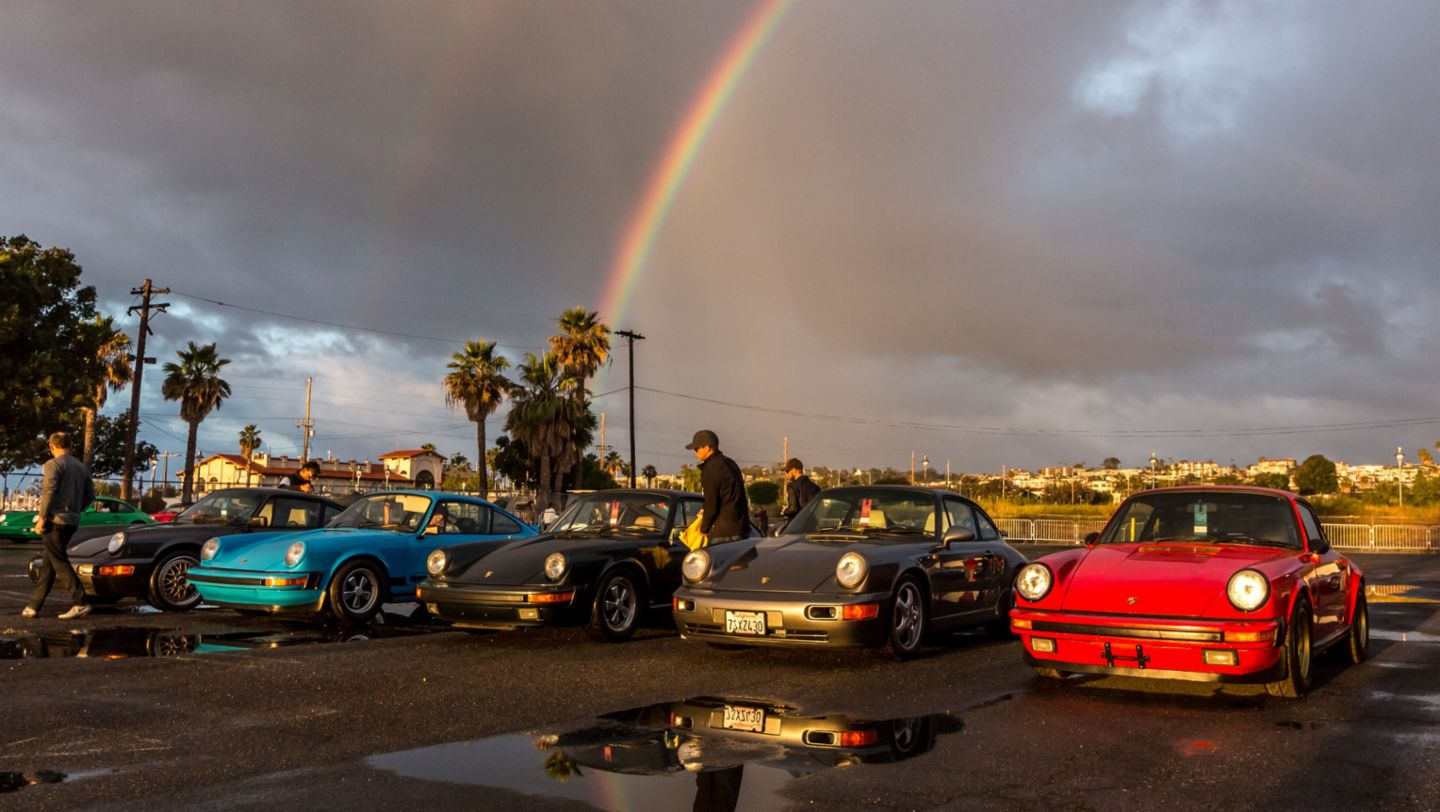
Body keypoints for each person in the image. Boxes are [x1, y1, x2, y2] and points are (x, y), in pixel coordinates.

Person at [25, 432, 94, 619]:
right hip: (72, 521)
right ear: (70, 445)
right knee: (49, 563)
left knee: (59, 562)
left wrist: (42, 517)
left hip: (55, 521)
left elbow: (49, 491)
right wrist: (75, 509)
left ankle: (81, 602)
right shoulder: (81, 467)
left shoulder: (52, 464)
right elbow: (91, 496)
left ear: (52, 446)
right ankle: (34, 606)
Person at [686, 430, 749, 542]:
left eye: (697, 448)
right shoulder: (730, 463)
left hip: (723, 533)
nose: (695, 452)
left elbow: (711, 503)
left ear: (707, 448)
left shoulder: (710, 469)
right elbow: (729, 497)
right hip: (741, 528)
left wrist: (704, 528)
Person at [781, 457, 820, 522]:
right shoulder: (815, 487)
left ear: (794, 470)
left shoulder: (792, 486)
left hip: (797, 524)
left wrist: (784, 512)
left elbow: (793, 509)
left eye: (787, 471)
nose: (786, 474)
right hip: (813, 523)